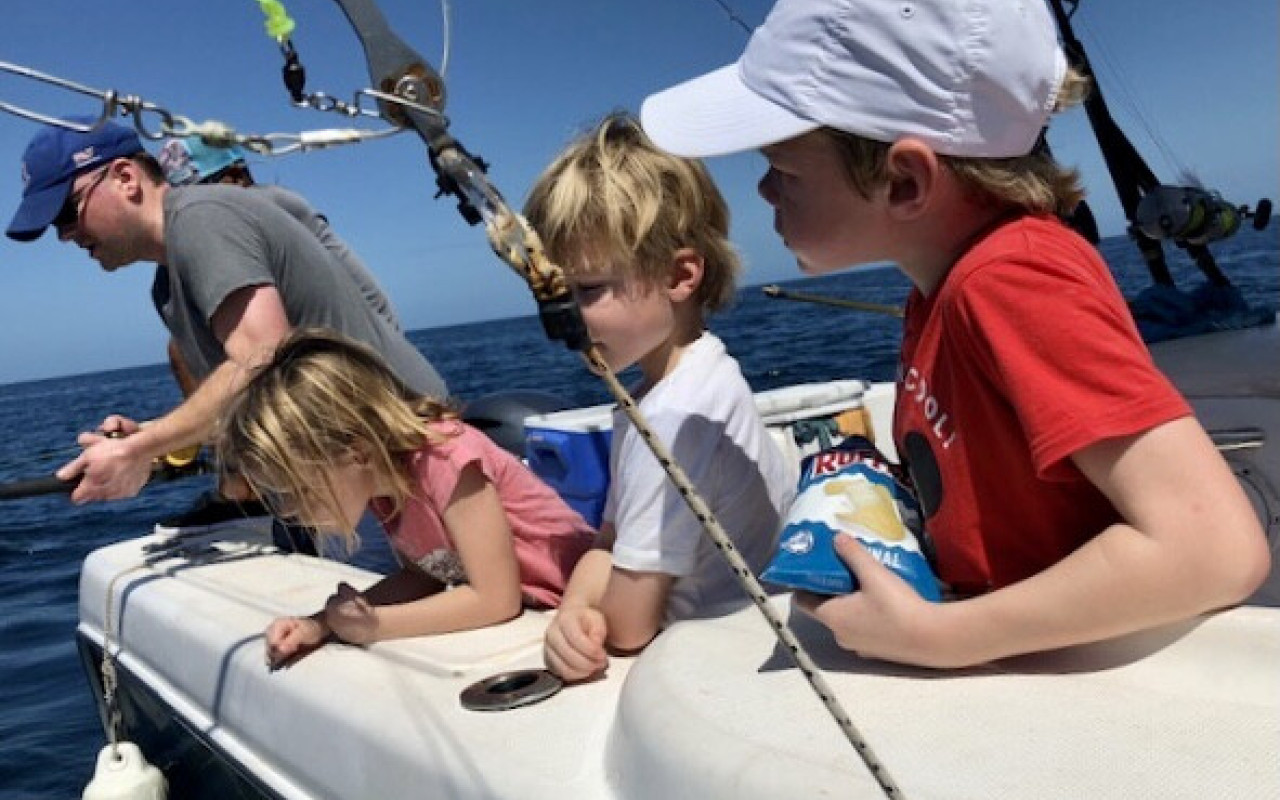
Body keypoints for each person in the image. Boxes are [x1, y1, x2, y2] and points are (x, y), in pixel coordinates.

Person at [637, 0, 1270, 669]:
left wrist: (940, 637)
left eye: (785, 169)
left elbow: (1214, 546)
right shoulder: (942, 288)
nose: (763, 191)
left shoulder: (1014, 279)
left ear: (906, 181)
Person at [5, 118, 448, 527]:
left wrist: (136, 448)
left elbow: (263, 356)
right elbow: (254, 398)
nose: (64, 235)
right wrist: (151, 443)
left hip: (415, 464)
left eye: (67, 212)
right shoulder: (167, 289)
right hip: (353, 484)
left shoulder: (203, 220)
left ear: (125, 178)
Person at [527, 114, 796, 682]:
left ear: (680, 275)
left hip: (712, 660)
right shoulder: (692, 377)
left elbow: (628, 628)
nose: (562, 319)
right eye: (554, 294)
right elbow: (608, 541)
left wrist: (582, 621)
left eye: (587, 290)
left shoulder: (671, 417)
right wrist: (576, 608)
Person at [214, 328, 595, 664]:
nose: (290, 511)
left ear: (357, 452)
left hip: (589, 604)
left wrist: (376, 626)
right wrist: (323, 623)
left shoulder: (447, 458)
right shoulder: (382, 487)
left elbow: (496, 599)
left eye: (297, 490)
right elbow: (423, 575)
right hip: (547, 619)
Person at [147, 135, 406, 541]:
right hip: (300, 395)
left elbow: (267, 350)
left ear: (236, 177)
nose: (188, 213)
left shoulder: (272, 208)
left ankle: (243, 488)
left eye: (201, 192)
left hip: (356, 383)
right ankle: (242, 484)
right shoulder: (177, 269)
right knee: (181, 348)